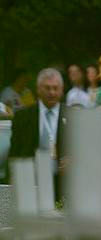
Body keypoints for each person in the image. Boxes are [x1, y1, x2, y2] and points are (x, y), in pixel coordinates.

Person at [6, 68, 67, 199]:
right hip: (30, 181)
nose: (52, 92)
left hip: (63, 183)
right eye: (47, 88)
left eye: (55, 88)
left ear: (62, 90)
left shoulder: (72, 116)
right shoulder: (22, 116)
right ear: (38, 89)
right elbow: (14, 152)